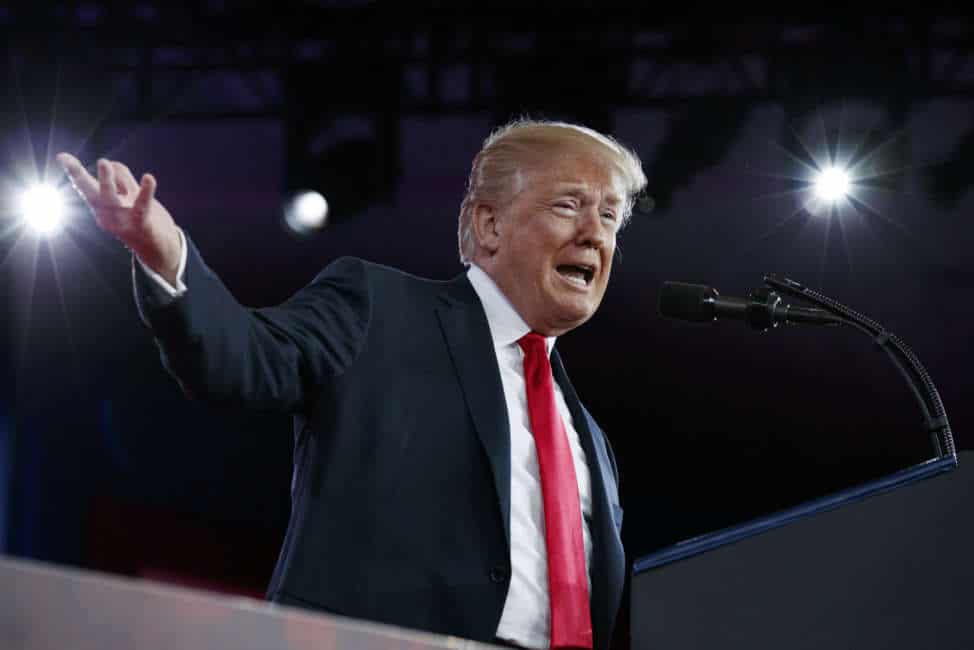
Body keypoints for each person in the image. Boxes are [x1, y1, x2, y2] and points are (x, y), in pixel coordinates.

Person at [57, 118, 647, 650]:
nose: (595, 233)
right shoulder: (378, 311)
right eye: (570, 206)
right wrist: (168, 258)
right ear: (488, 223)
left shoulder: (589, 438)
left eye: (611, 217)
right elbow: (242, 360)